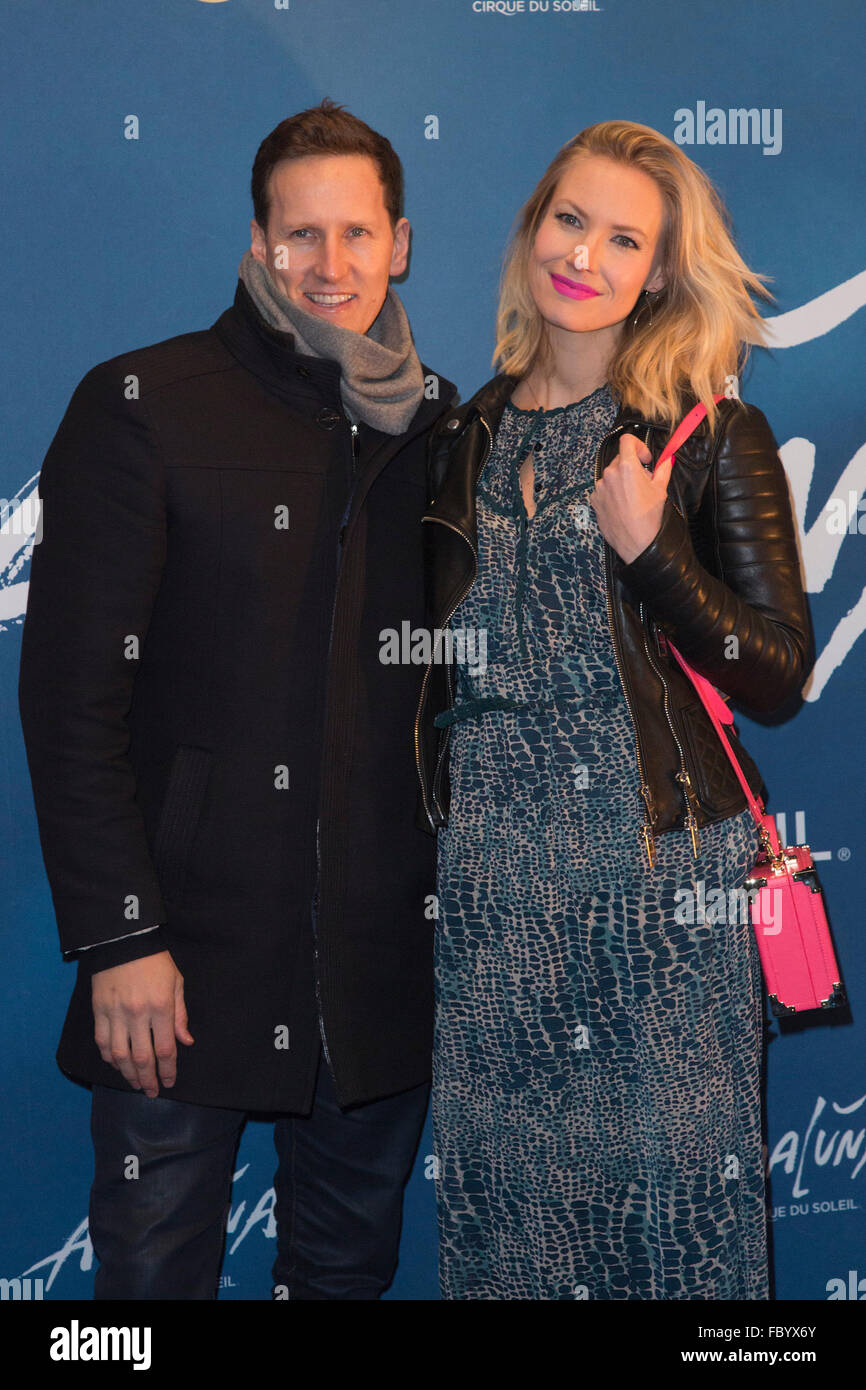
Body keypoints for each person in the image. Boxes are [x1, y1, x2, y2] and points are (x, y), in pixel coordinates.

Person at [18, 99, 456, 1300]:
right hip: (181, 966)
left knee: (345, 1275)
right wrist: (121, 940)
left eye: (356, 235)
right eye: (299, 234)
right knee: (145, 1299)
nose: (331, 266)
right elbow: (69, 704)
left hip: (373, 970)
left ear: (401, 242)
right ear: (259, 243)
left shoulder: (442, 432)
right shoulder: (143, 404)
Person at [414, 120, 813, 1300]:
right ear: (531, 230)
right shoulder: (460, 437)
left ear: (657, 272)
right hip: (490, 892)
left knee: (680, 1230)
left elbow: (777, 671)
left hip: (661, 889)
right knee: (508, 1225)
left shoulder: (707, 431)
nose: (583, 255)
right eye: (568, 220)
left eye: (621, 237)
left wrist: (652, 557)